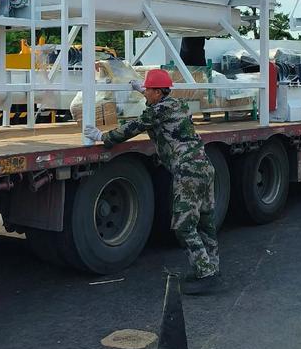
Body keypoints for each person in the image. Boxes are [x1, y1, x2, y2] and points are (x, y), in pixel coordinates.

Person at [83, 69, 224, 295]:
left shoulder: (157, 111)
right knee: (205, 221)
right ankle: (211, 268)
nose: (145, 92)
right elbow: (158, 106)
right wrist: (142, 91)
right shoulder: (178, 104)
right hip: (204, 167)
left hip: (188, 172)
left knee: (183, 226)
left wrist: (103, 137)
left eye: (148, 89)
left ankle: (205, 273)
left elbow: (134, 127)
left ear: (158, 92)